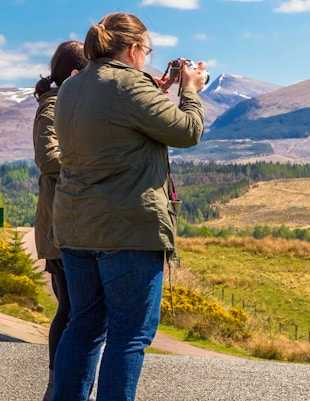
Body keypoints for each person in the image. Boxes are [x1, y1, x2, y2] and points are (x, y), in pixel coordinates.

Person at [51, 12, 207, 400]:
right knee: (129, 335)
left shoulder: (72, 87)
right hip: (128, 231)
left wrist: (154, 89)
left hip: (75, 228)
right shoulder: (129, 86)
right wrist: (191, 90)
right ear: (135, 49)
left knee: (83, 325)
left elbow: (111, 119)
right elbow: (187, 131)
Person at [32, 40, 89, 401]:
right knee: (69, 308)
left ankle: (63, 383)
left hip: (71, 220)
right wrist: (94, 161)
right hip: (59, 224)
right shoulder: (53, 105)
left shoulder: (69, 101)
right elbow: (48, 157)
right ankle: (57, 383)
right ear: (73, 74)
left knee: (74, 309)